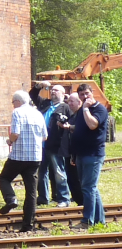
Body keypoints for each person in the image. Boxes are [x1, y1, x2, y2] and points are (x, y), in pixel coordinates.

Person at [0, 90, 48, 231]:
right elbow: (45, 136)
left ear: (18, 101)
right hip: (35, 157)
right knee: (31, 192)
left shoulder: (17, 112)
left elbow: (15, 133)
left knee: (4, 178)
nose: (13, 105)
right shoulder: (38, 114)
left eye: (13, 102)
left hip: (19, 156)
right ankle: (28, 225)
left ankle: (11, 199)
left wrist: (10, 140)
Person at [68, 82, 109, 229]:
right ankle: (100, 221)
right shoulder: (80, 112)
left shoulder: (99, 109)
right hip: (81, 154)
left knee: (88, 187)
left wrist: (85, 109)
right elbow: (80, 129)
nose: (85, 97)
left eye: (87, 94)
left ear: (92, 93)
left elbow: (93, 125)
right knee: (91, 188)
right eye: (82, 95)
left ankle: (87, 221)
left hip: (93, 154)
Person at [39, 85, 71, 208]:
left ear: (63, 93)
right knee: (41, 172)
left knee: (59, 172)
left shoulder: (65, 107)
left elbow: (70, 124)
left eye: (56, 90)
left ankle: (64, 198)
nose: (52, 91)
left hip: (56, 145)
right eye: (52, 90)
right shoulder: (46, 105)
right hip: (42, 144)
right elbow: (33, 96)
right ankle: (43, 197)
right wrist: (39, 87)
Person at [63, 91, 83, 205]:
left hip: (78, 152)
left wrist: (70, 127)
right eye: (68, 101)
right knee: (71, 178)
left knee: (77, 179)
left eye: (71, 101)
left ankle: (82, 201)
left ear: (79, 102)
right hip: (71, 151)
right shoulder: (73, 114)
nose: (69, 104)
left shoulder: (81, 114)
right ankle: (78, 200)